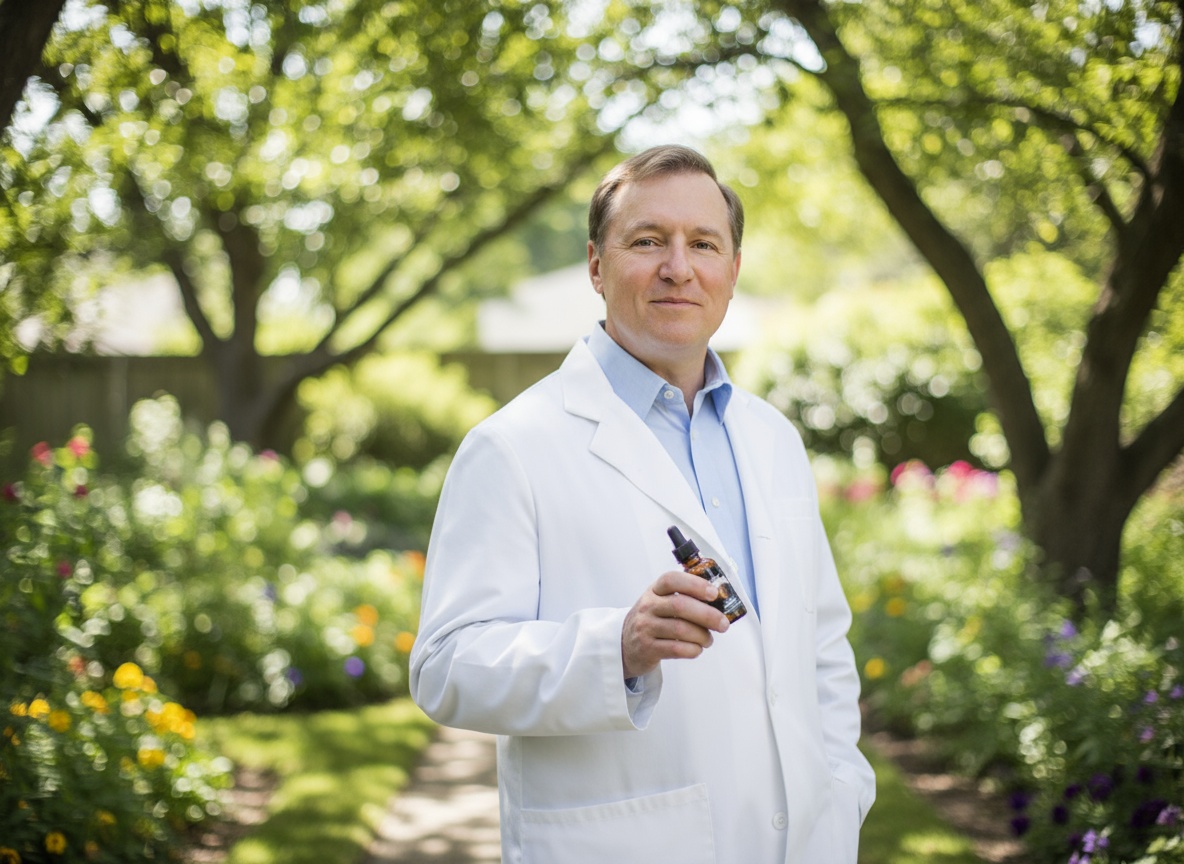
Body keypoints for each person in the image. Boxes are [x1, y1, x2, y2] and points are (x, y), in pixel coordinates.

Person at [410, 144, 875, 864]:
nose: (678, 268)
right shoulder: (513, 447)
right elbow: (446, 667)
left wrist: (841, 793)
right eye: (648, 241)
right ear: (597, 267)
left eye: (703, 244)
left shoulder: (772, 437)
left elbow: (821, 649)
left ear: (733, 269)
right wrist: (615, 649)